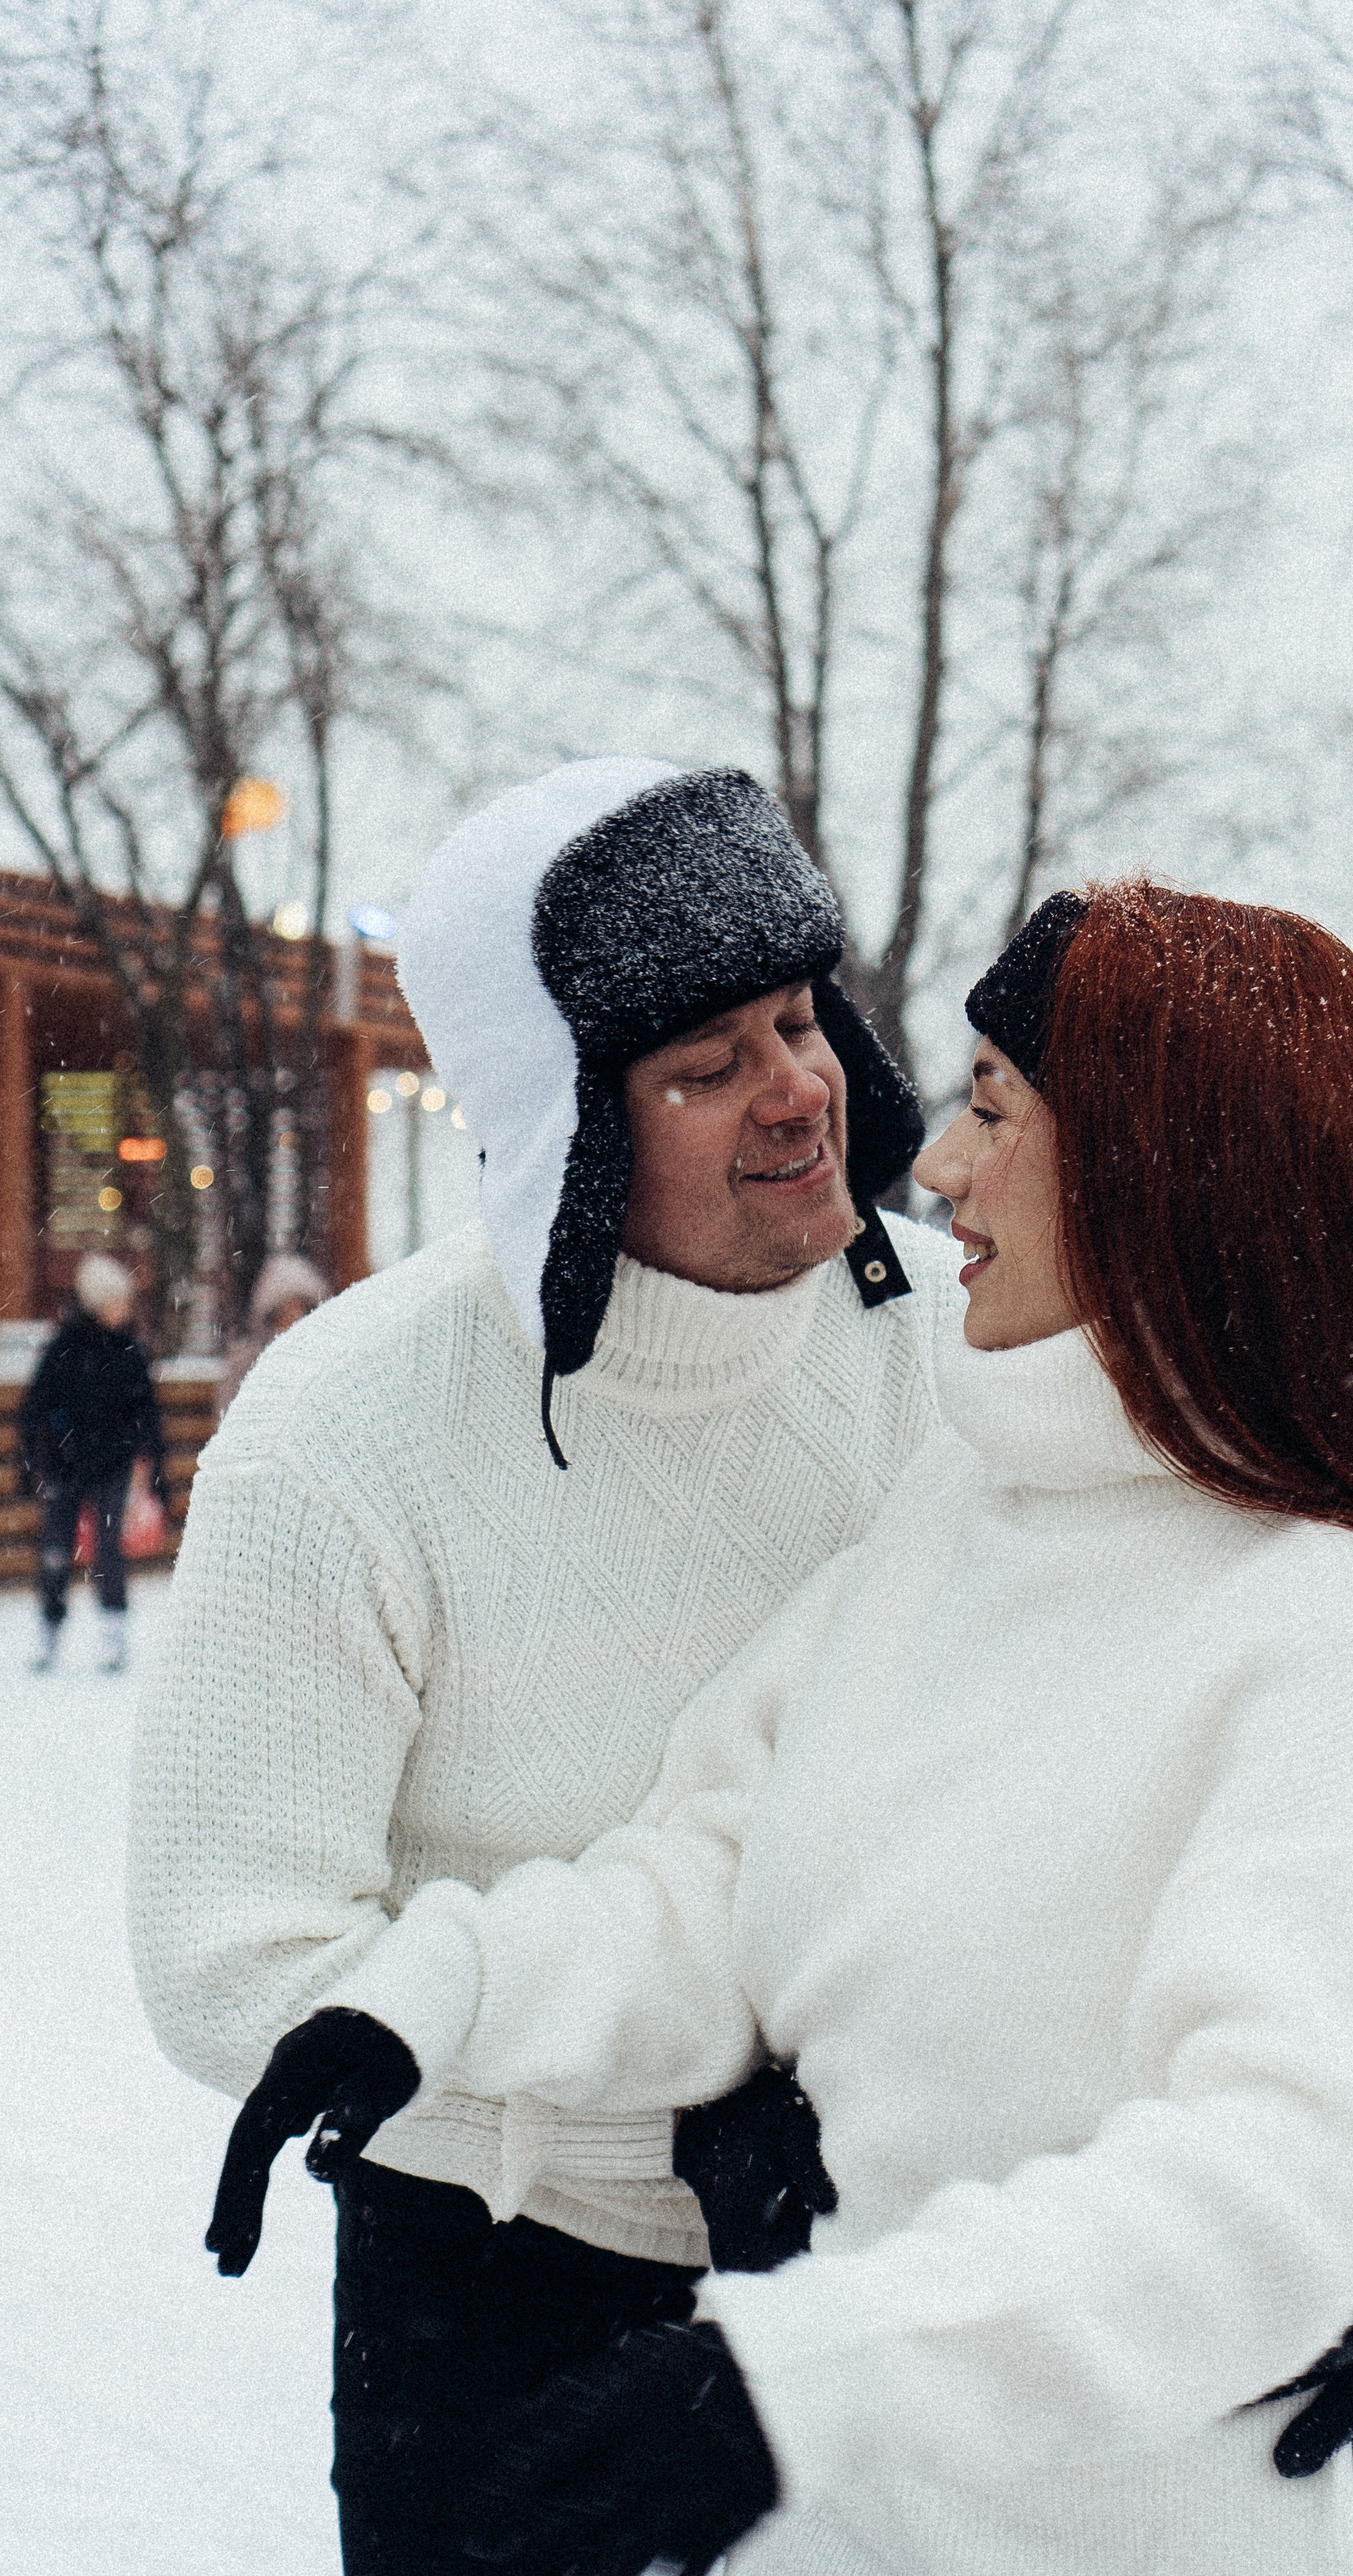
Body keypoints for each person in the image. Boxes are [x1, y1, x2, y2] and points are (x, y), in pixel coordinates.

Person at [223, 879, 1353, 2576]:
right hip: (866, 2524)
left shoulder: (1318, 1623)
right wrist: (433, 1997)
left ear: (1155, 1173)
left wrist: (805, 2382)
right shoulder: (962, 1509)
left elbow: (1269, 2173)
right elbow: (722, 1869)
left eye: (994, 1106)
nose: (934, 1164)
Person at [127, 757, 962, 2576]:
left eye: (796, 1019)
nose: (796, 1087)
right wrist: (652, 2116)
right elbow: (233, 1964)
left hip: (896, 2251)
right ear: (564, 1129)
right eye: (704, 1066)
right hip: (498, 2300)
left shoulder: (958, 1344)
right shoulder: (345, 1434)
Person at [21, 1251, 165, 1675]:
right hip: (65, 1468)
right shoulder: (62, 1349)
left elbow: (147, 1415)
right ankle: (49, 1629)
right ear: (97, 1304)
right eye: (117, 1302)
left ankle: (113, 1631)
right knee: (55, 1552)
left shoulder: (129, 1350)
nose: (124, 1310)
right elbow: (35, 1409)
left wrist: (153, 1467)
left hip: (112, 1467)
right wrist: (33, 1462)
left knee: (109, 1551)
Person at [213, 1252, 330, 1423]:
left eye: (301, 1311)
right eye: (285, 1314)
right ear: (271, 1316)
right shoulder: (247, 1364)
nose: (293, 1321)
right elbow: (229, 1417)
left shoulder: (324, 1363)